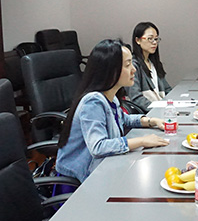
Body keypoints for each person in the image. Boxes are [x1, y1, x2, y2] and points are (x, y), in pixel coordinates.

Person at [56, 39, 169, 182]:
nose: (133, 69)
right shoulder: (93, 102)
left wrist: (152, 121)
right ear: (110, 70)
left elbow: (123, 119)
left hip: (104, 167)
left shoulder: (110, 96)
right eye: (127, 65)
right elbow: (98, 147)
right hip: (83, 178)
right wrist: (142, 141)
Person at [125, 22, 173, 112]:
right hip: (147, 113)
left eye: (156, 39)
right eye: (150, 39)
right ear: (138, 40)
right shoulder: (133, 65)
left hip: (162, 110)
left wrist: (175, 104)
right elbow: (136, 97)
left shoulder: (153, 63)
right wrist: (158, 110)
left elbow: (167, 90)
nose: (154, 42)